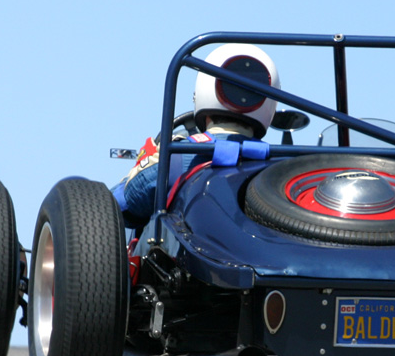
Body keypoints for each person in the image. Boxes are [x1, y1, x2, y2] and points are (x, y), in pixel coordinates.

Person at [113, 43, 280, 229]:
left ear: (202, 93)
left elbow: (123, 203)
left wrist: (146, 160)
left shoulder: (177, 157)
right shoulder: (281, 167)